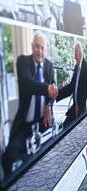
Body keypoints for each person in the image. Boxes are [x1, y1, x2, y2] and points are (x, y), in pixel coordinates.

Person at [2, 30, 57, 175]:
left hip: (43, 123)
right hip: (25, 125)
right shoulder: (23, 61)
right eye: (37, 47)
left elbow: (53, 89)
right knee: (9, 156)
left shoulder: (49, 66)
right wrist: (47, 89)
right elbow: (28, 84)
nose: (39, 51)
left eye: (42, 48)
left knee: (51, 154)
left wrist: (48, 105)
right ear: (32, 46)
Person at [56, 42, 87, 127]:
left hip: (83, 105)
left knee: (70, 126)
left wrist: (79, 105)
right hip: (76, 105)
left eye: (74, 53)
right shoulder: (77, 67)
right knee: (65, 125)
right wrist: (57, 94)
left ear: (78, 53)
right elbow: (71, 87)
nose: (73, 56)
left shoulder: (86, 68)